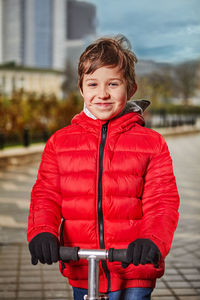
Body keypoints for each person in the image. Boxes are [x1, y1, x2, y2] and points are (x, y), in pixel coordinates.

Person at [27, 35, 180, 300]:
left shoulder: (152, 144)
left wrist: (152, 239)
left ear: (130, 88)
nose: (103, 93)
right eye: (93, 84)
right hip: (82, 265)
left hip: (134, 265)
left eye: (113, 84)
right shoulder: (59, 143)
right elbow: (46, 196)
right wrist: (42, 231)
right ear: (81, 89)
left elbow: (162, 201)